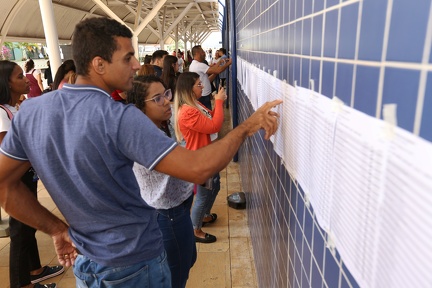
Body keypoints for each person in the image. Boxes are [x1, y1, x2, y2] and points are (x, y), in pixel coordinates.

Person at [0, 17, 281, 287]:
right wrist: (247, 126)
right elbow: (198, 168)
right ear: (99, 64)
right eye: (127, 58)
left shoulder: (31, 113)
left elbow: (4, 185)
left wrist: (57, 229)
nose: (136, 65)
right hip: (134, 264)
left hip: (86, 264)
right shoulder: (119, 117)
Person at [127, 75, 196, 288]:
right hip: (169, 214)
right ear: (139, 107)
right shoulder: (148, 137)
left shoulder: (159, 126)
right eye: (157, 99)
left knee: (186, 260)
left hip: (176, 210)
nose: (167, 101)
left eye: (166, 93)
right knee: (176, 273)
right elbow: (196, 168)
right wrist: (244, 129)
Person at [0, 60, 64, 288]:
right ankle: (22, 284)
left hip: (26, 177)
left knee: (27, 228)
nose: (26, 79)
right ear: (6, 83)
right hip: (16, 180)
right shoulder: (1, 113)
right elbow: (7, 149)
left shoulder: (16, 107)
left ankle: (35, 271)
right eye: (19, 77)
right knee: (20, 233)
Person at [174, 72, 227, 244]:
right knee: (204, 194)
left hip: (208, 155)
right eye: (198, 84)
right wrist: (219, 102)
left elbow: (211, 118)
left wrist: (217, 103)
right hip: (201, 160)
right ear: (189, 89)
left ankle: (203, 216)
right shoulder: (188, 111)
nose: (202, 86)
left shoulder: (194, 104)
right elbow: (214, 125)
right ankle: (195, 229)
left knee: (215, 186)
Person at [189, 45, 232, 110]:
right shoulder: (199, 65)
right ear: (197, 53)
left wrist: (219, 63)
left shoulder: (194, 64)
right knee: (208, 115)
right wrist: (229, 63)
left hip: (204, 95)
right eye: (202, 52)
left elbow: (207, 79)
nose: (204, 53)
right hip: (203, 96)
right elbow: (217, 70)